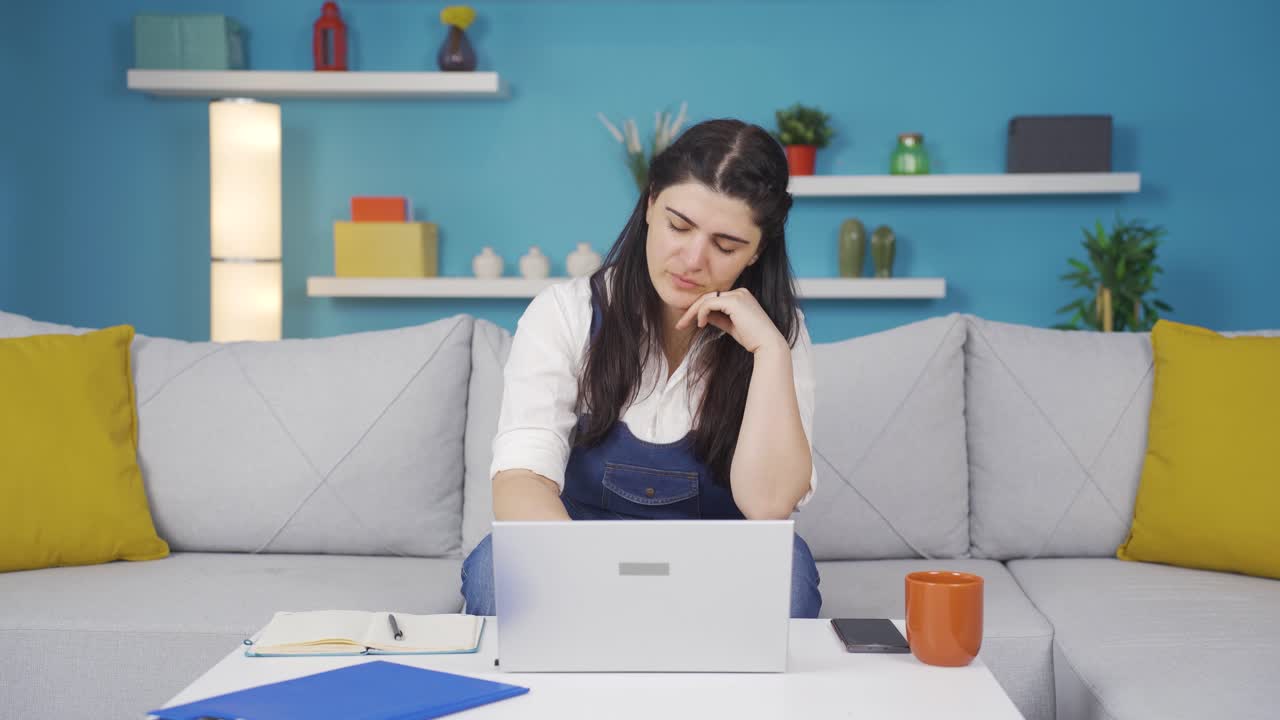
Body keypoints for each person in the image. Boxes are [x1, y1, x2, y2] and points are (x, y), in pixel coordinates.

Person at [462, 118, 821, 618]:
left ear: (757, 250)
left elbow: (769, 506)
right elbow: (521, 481)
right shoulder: (565, 313)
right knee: (496, 568)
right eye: (679, 225)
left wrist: (770, 353)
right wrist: (594, 582)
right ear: (650, 203)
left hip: (719, 558)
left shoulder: (779, 334)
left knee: (789, 576)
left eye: (726, 245)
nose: (693, 260)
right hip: (574, 545)